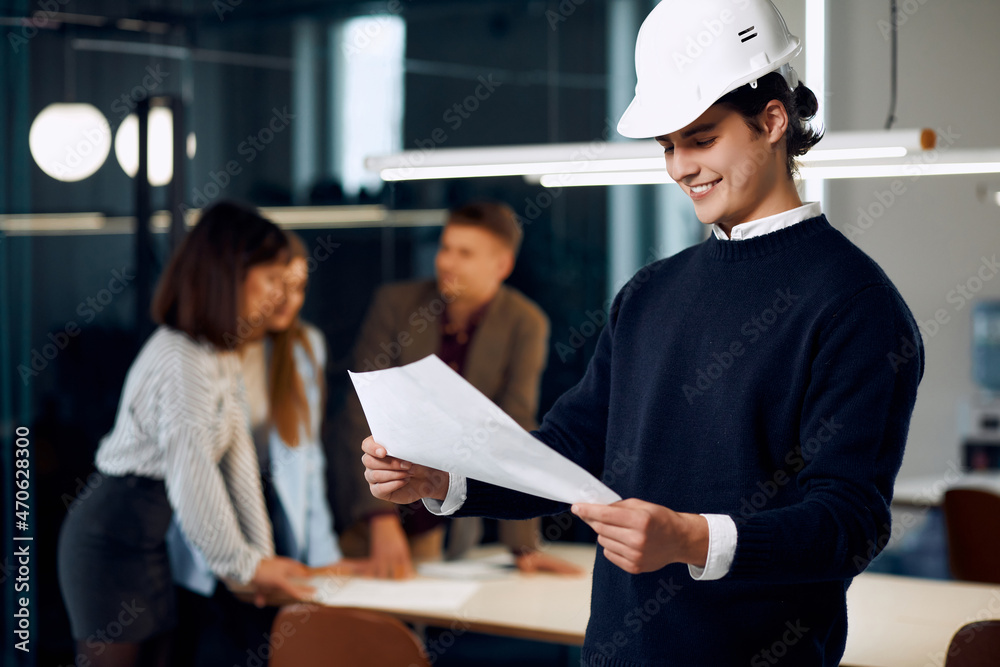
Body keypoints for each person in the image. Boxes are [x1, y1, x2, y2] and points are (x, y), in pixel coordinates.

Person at [361, 1, 925, 664]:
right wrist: (442, 476)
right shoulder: (651, 292)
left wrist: (693, 539)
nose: (681, 167)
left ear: (772, 121)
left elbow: (850, 523)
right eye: (667, 146)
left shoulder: (855, 304)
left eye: (701, 138)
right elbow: (568, 451)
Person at [57, 201, 313, 667]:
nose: (280, 294)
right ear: (229, 273)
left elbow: (237, 462)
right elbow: (193, 474)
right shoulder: (181, 359)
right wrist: (246, 567)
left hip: (150, 539)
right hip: (110, 537)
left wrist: (259, 562)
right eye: (271, 278)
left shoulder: (220, 352)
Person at [335, 201, 580, 577]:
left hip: (452, 518)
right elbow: (359, 411)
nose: (447, 261)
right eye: (446, 248)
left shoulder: (524, 322)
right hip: (373, 504)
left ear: (501, 266)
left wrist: (522, 543)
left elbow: (513, 425)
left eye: (464, 253)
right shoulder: (396, 305)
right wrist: (379, 519)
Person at [166, 231, 369, 666]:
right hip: (213, 502)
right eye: (278, 284)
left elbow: (308, 462)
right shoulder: (215, 344)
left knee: (269, 642)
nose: (287, 299)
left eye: (299, 288)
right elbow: (194, 461)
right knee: (208, 636)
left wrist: (325, 558)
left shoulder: (304, 346)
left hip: (275, 508)